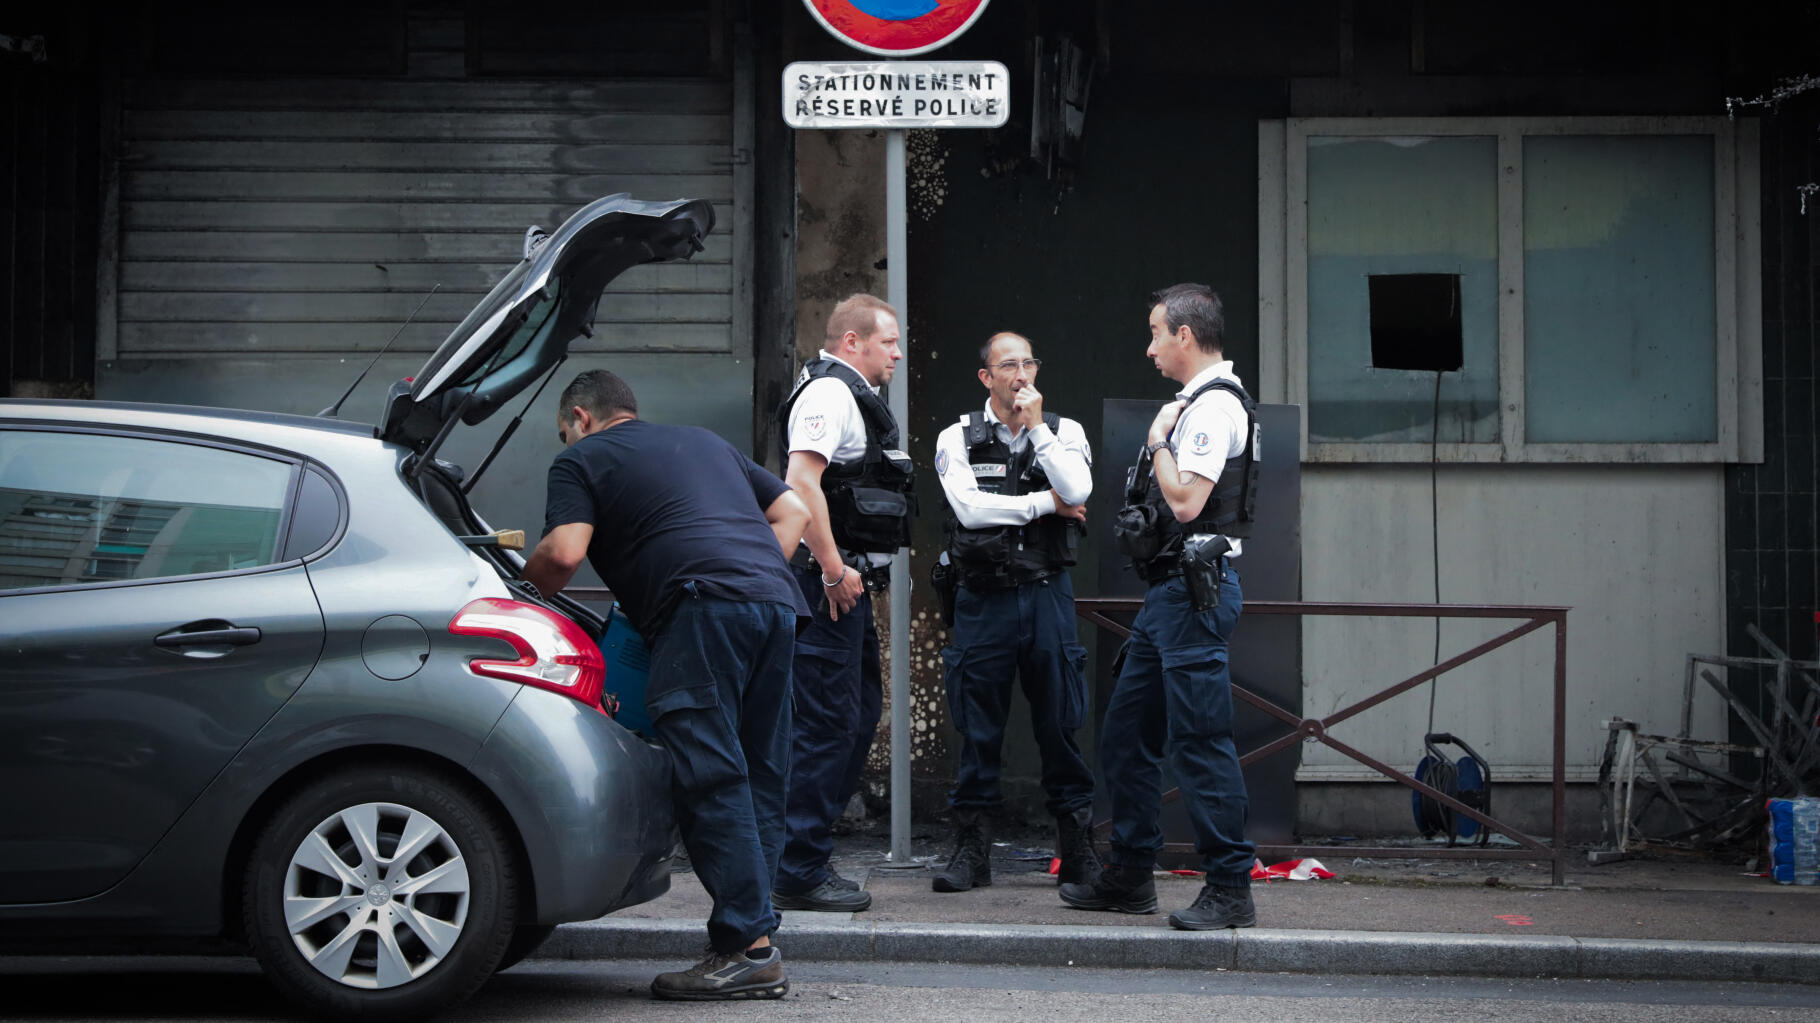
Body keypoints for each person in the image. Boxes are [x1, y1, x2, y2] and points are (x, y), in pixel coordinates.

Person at [523, 369, 811, 1000]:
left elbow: (565, 552)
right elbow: (793, 509)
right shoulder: (704, 442)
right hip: (774, 605)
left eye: (563, 431)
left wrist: (520, 592)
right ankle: (754, 934)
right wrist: (751, 571)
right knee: (759, 774)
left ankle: (748, 949)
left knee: (710, 777)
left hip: (700, 612)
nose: (565, 441)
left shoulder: (582, 460)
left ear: (581, 417)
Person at [1058, 283, 1262, 931]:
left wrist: (1158, 443)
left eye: (1154, 333)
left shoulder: (1210, 409)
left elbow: (1183, 503)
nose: (1149, 348)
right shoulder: (1195, 404)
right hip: (1169, 595)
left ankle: (1230, 885)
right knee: (1126, 732)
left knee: (1200, 741)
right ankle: (1130, 874)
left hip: (1191, 592)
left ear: (1184, 334)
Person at [929, 331, 1100, 893]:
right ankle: (971, 853)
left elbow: (1079, 486)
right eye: (1008, 365)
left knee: (1060, 723)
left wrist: (1039, 430)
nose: (1022, 374)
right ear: (987, 378)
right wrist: (1046, 504)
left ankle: (1077, 853)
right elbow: (970, 510)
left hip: (1047, 593)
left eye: (1029, 362)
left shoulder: (1063, 431)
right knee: (978, 729)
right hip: (983, 599)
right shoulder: (957, 436)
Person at [773, 293, 915, 913]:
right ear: (852, 342)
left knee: (852, 720)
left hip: (845, 589)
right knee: (828, 725)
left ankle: (801, 857)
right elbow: (801, 481)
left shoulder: (851, 394)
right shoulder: (831, 393)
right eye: (889, 342)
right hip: (828, 585)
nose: (898, 353)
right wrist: (833, 570)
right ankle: (797, 868)